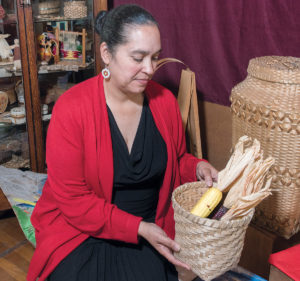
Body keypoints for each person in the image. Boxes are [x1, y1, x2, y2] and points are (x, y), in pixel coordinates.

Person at [27, 4, 218, 281]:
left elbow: (175, 160)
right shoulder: (72, 109)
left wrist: (197, 167)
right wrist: (137, 227)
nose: (150, 69)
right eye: (138, 58)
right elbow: (73, 200)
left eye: (155, 57)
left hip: (151, 229)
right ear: (107, 54)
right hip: (83, 230)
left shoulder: (164, 103)